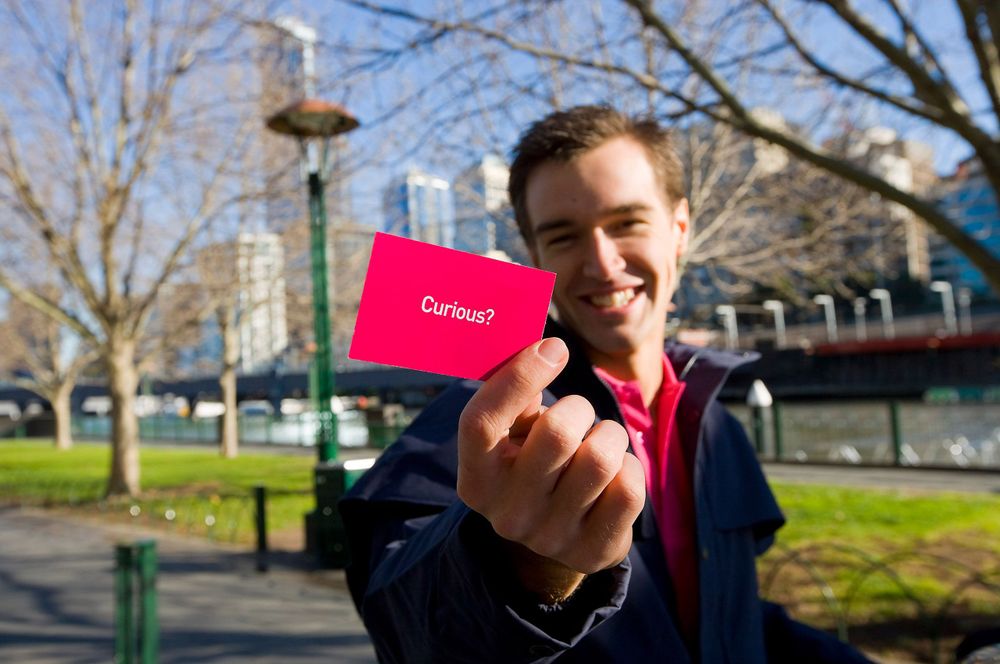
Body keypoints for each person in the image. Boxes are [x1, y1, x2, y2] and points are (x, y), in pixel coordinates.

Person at [339, 105, 872, 663]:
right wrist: (519, 566)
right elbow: (403, 624)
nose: (601, 262)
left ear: (680, 228)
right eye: (564, 237)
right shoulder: (489, 424)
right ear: (535, 257)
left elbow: (730, 613)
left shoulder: (716, 426)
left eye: (627, 223)